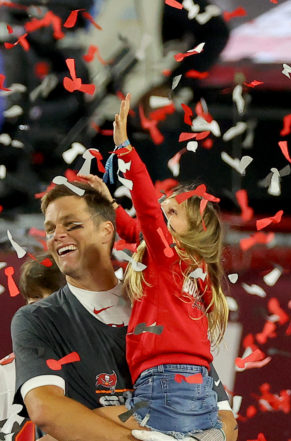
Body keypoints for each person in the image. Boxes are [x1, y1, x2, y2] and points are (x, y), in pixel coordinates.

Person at [10, 173, 237, 440]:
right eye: (50, 229)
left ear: (107, 231)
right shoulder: (37, 318)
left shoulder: (161, 305)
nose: (58, 236)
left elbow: (226, 419)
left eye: (72, 225)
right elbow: (46, 410)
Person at [79, 94, 228, 439]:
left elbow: (145, 214)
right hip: (197, 385)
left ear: (195, 229)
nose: (162, 216)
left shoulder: (171, 257)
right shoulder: (190, 265)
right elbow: (136, 232)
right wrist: (110, 203)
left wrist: (125, 149)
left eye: (171, 214)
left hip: (166, 383)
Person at [0, 254, 65, 441]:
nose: (43, 307)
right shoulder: (3, 374)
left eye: (56, 296)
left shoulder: (103, 363)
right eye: (35, 298)